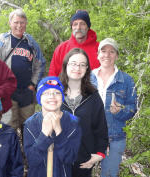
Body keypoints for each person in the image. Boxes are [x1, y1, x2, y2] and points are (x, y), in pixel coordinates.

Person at [90, 38, 137, 177]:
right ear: (98, 55)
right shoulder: (88, 77)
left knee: (109, 174)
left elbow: (133, 108)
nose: (107, 55)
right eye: (103, 51)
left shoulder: (127, 80)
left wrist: (120, 111)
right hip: (89, 136)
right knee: (83, 172)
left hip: (115, 138)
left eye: (111, 52)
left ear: (116, 55)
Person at [59, 48, 108, 177]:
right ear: (66, 65)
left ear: (87, 69)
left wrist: (99, 154)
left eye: (82, 64)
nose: (77, 68)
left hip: (83, 161)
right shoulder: (54, 93)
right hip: (58, 160)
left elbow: (101, 128)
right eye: (73, 63)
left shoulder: (93, 96)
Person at [0, 9, 46, 131]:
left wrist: (33, 84)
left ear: (26, 23)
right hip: (8, 93)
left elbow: (41, 63)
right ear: (10, 23)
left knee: (29, 128)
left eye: (22, 22)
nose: (19, 26)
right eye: (16, 22)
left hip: (26, 92)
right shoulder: (2, 40)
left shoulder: (31, 42)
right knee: (8, 127)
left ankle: (27, 150)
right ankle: (12, 150)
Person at [23, 76, 82, 177]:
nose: (52, 96)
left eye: (57, 92)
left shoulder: (73, 123)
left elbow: (70, 158)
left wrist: (59, 131)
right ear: (39, 98)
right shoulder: (30, 124)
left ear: (62, 97)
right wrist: (44, 135)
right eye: (46, 93)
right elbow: (32, 160)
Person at [49, 10, 100, 76]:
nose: (78, 28)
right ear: (72, 27)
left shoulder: (99, 49)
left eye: (82, 24)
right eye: (75, 24)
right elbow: (52, 74)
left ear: (88, 27)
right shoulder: (61, 48)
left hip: (93, 86)